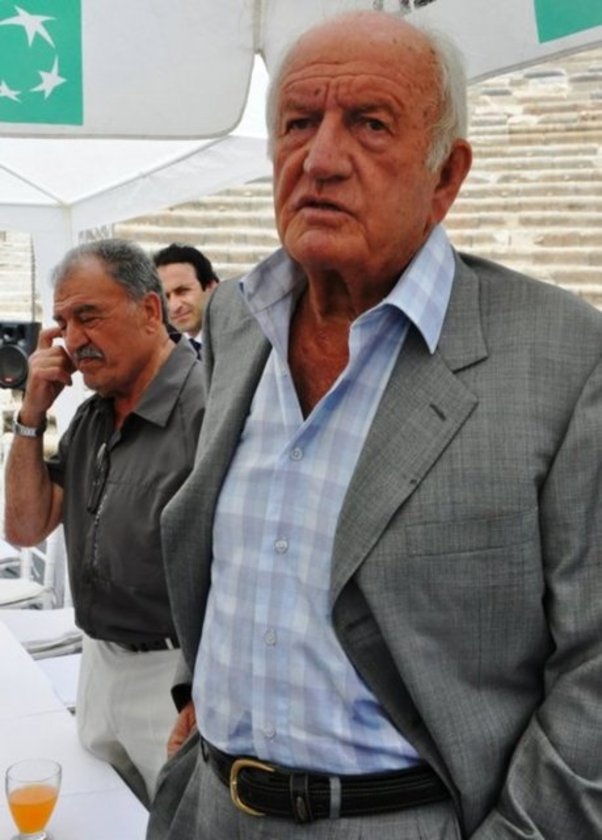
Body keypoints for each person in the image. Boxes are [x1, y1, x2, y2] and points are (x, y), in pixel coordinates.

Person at [147, 10, 602, 839]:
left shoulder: (564, 355)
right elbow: (224, 551)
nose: (320, 159)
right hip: (209, 807)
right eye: (298, 123)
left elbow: (595, 664)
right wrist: (198, 695)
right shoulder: (235, 321)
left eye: (370, 124)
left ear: (445, 175)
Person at [3, 239, 204, 807]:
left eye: (89, 316)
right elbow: (23, 528)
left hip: (176, 680)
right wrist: (32, 414)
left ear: (149, 310)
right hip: (99, 662)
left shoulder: (207, 407)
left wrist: (209, 689)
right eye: (64, 322)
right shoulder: (93, 414)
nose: (74, 339)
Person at [153, 243, 219, 356]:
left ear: (211, 287)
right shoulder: (161, 351)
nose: (174, 306)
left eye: (182, 291)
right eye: (165, 297)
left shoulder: (241, 340)